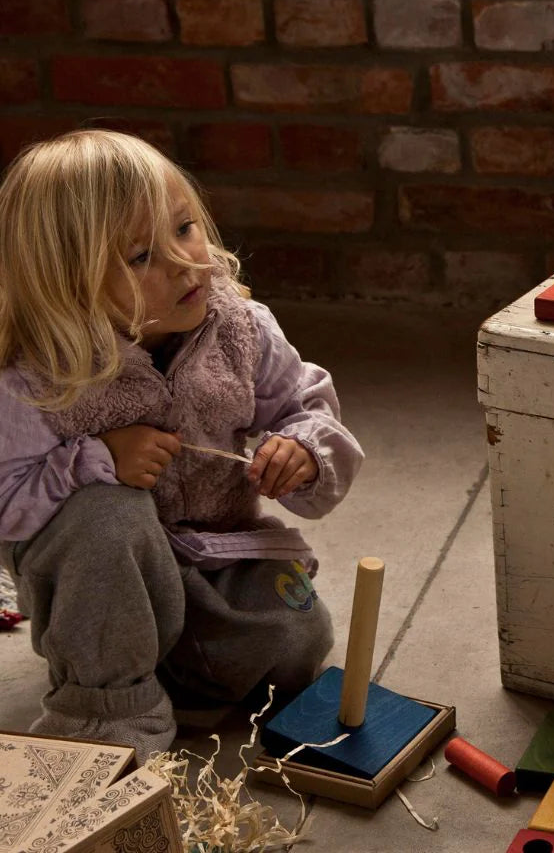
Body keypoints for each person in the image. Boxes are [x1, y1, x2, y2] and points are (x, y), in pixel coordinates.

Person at [0, 128, 364, 761]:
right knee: (111, 512)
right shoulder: (38, 376)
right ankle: (104, 702)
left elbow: (307, 406)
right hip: (96, 571)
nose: (187, 262)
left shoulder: (239, 326)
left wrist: (302, 449)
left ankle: (154, 657)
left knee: (300, 639)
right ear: (69, 284)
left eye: (186, 228)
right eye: (142, 257)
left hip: (212, 549)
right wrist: (97, 460)